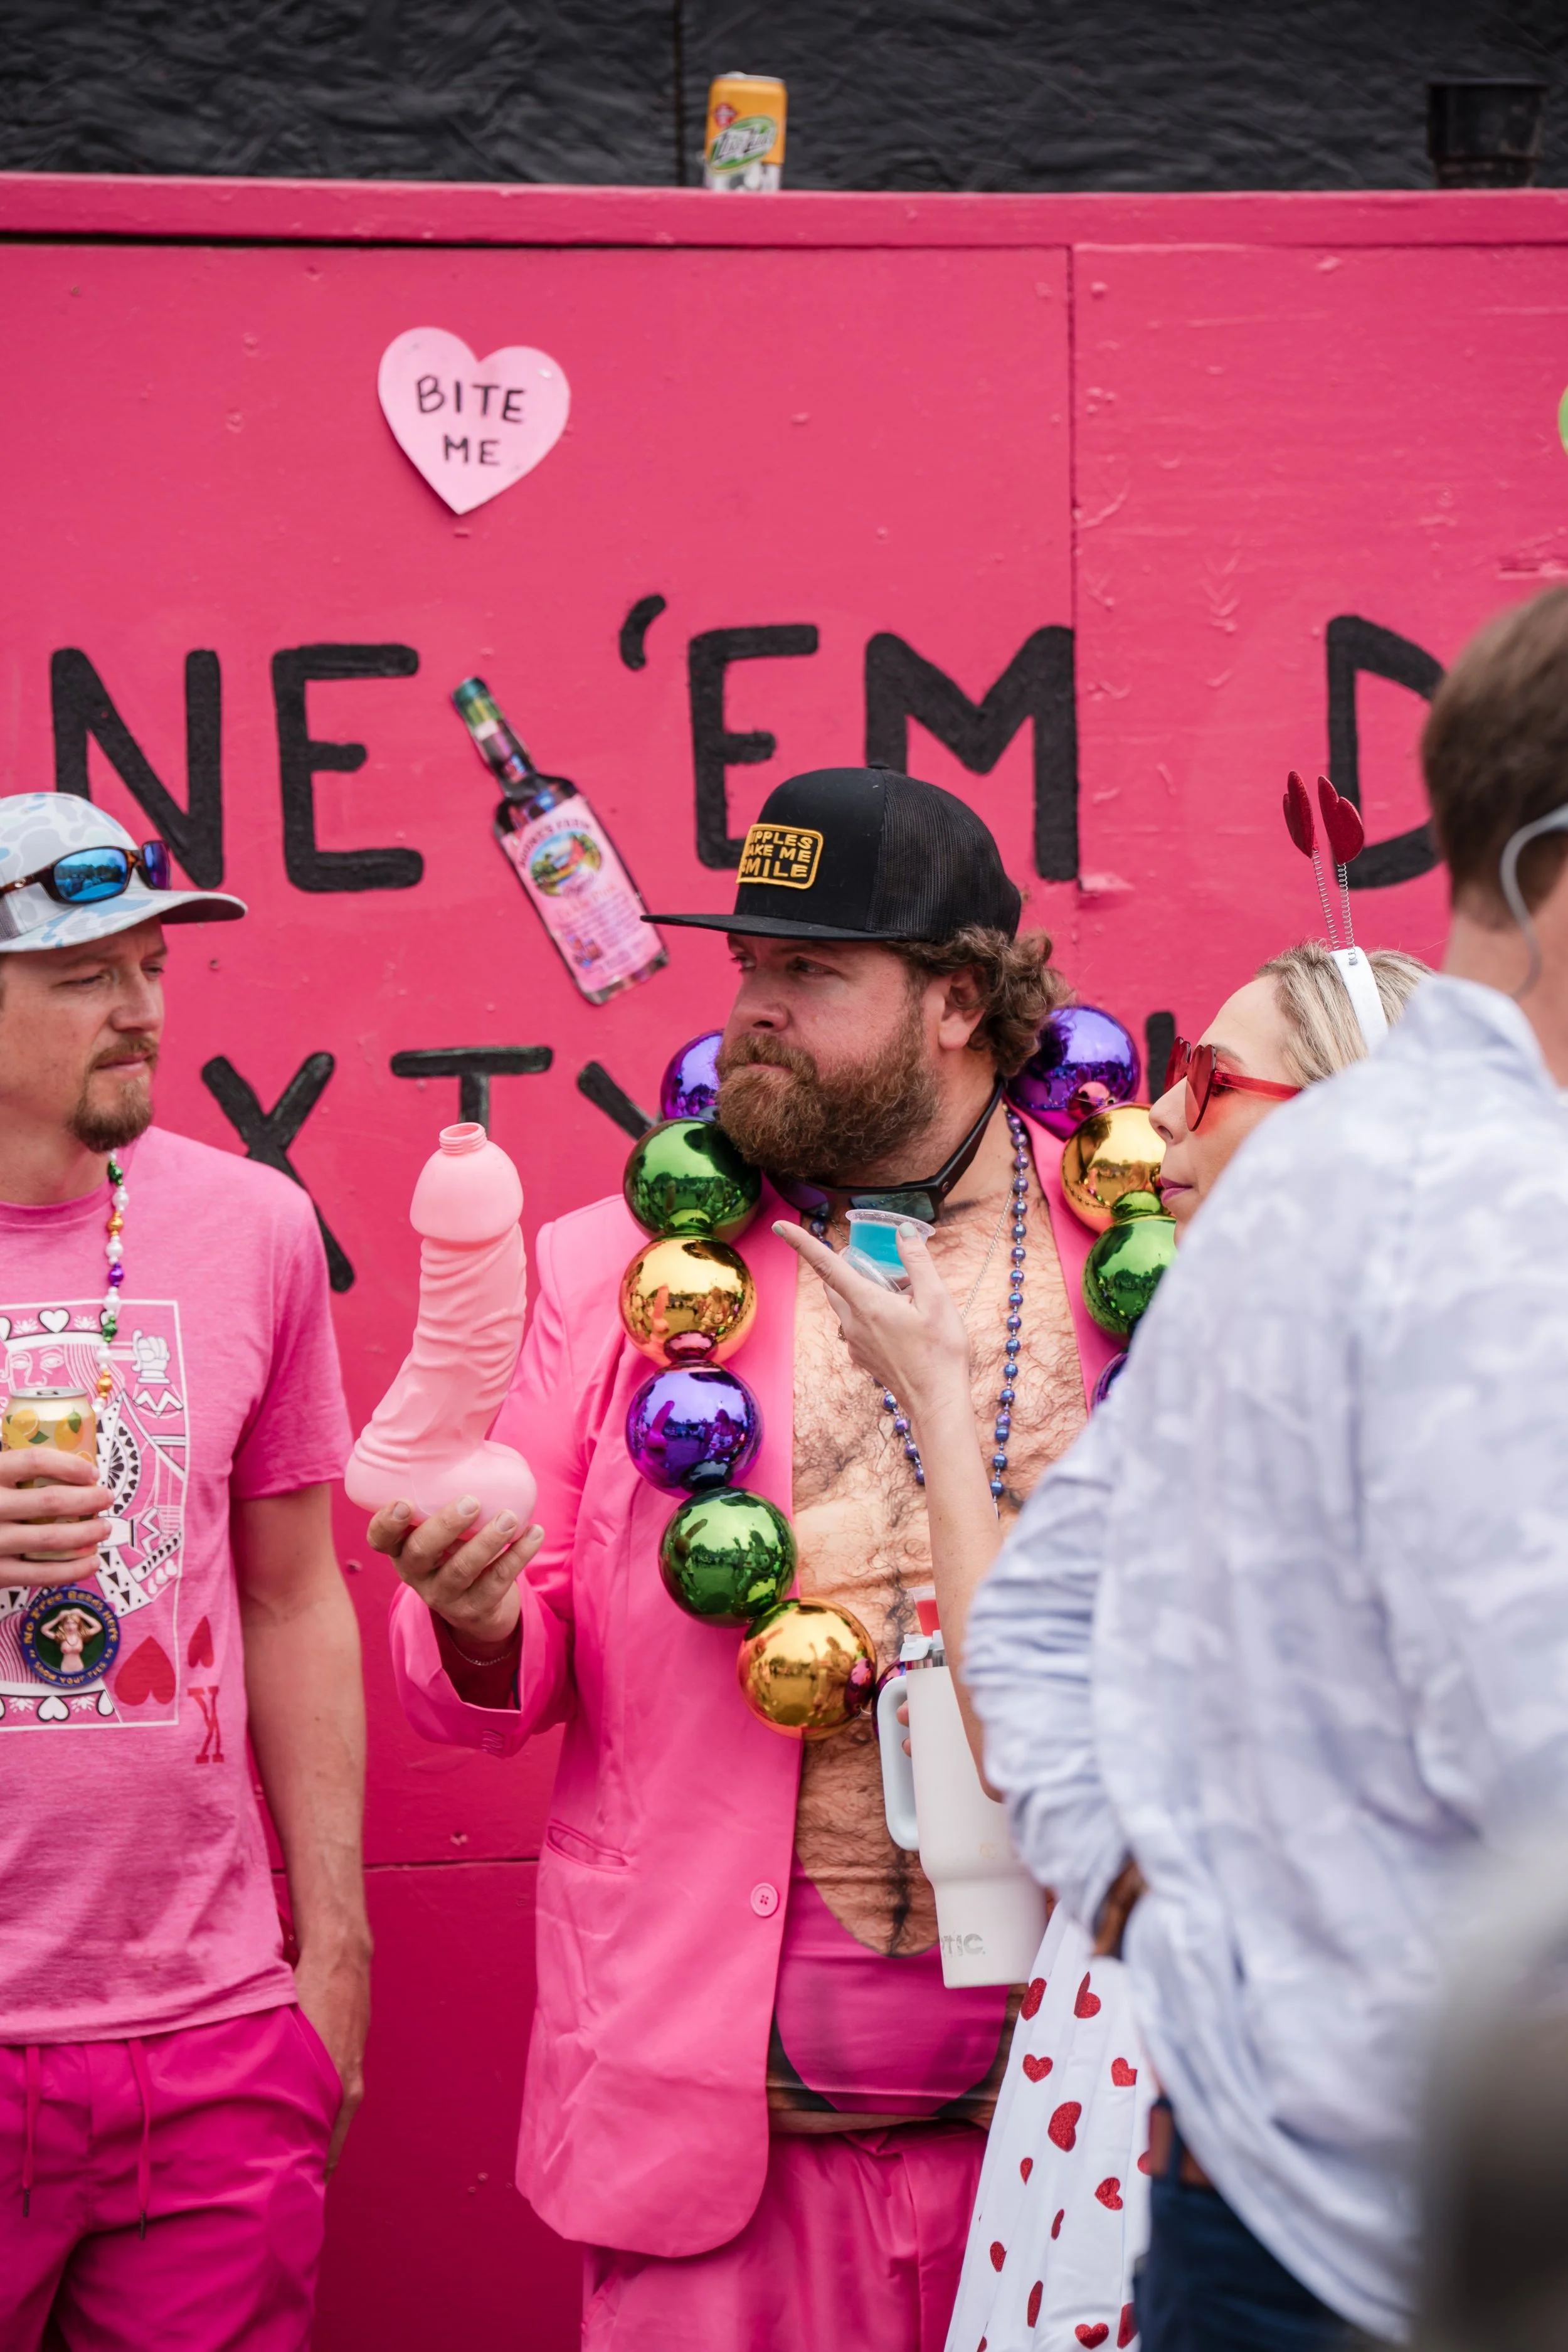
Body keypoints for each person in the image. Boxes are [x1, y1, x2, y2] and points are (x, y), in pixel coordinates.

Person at [371, 766, 1122, 2351]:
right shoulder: (617, 1274)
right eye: (746, 967)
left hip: (1083, 2138)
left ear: (957, 1001)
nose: (754, 1010)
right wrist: (478, 1614)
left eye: (809, 972)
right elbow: (491, 1689)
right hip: (725, 2161)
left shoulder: (1128, 1249)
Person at [963, 585, 1568, 2352]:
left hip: (1268, 2196)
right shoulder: (1495, 1208)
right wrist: (1178, 1922)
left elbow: (1038, 1623)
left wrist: (1173, 1923)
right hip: (1445, 2244)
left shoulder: (1324, 1173)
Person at [780, 936, 1425, 2352]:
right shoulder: (1201, 1375)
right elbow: (1017, 1711)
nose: (1163, 1116)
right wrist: (943, 1395)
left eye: (1209, 1078)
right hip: (1135, 2037)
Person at [0, 793, 368, 2351]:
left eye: (152, 967)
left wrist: (333, 1951)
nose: (141, 1009)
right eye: (87, 975)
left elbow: (294, 1596)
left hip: (211, 2041)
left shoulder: (255, 1227)